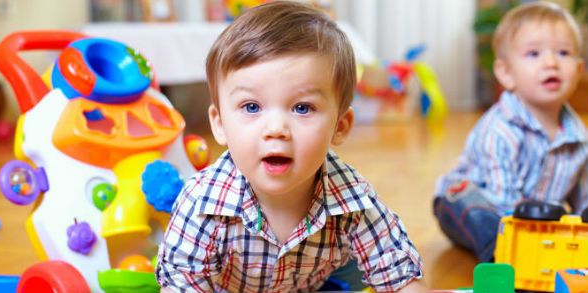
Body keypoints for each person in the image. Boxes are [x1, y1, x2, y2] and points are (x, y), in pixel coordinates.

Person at [155, 1, 424, 292]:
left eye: (302, 108)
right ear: (219, 124)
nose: (276, 130)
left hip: (323, 279)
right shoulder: (203, 204)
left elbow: (399, 273)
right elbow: (182, 283)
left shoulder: (353, 198)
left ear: (340, 126)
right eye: (251, 106)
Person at [433, 1, 588, 262]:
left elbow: (582, 195)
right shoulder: (499, 130)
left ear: (579, 70)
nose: (551, 62)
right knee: (481, 215)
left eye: (562, 53)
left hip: (537, 219)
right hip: (473, 202)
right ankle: (501, 256)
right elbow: (501, 202)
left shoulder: (578, 136)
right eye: (534, 54)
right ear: (506, 73)